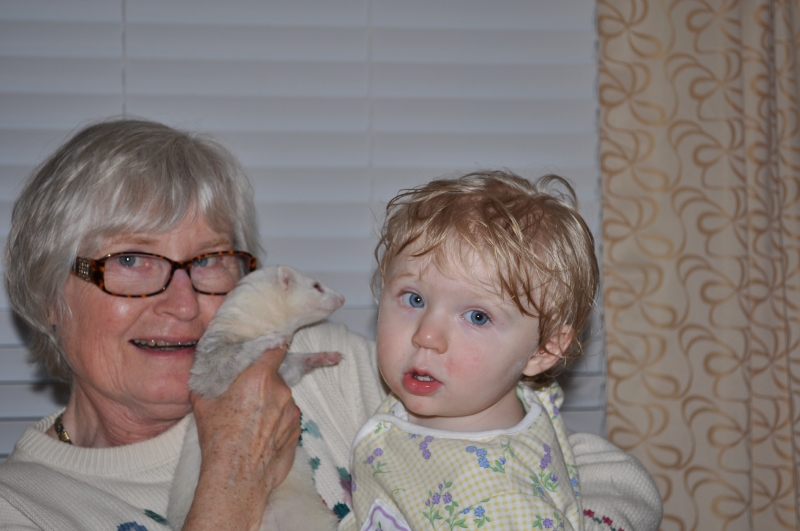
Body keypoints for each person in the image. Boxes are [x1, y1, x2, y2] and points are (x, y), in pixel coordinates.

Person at [0, 119, 662, 531]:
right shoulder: (26, 506)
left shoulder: (320, 367)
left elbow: (595, 470)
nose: (182, 301)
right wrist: (231, 476)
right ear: (46, 292)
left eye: (208, 261)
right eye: (131, 260)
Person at [339, 171, 592, 530]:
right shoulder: (490, 394)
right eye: (415, 299)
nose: (427, 336)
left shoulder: (499, 505)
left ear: (543, 350)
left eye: (477, 317)